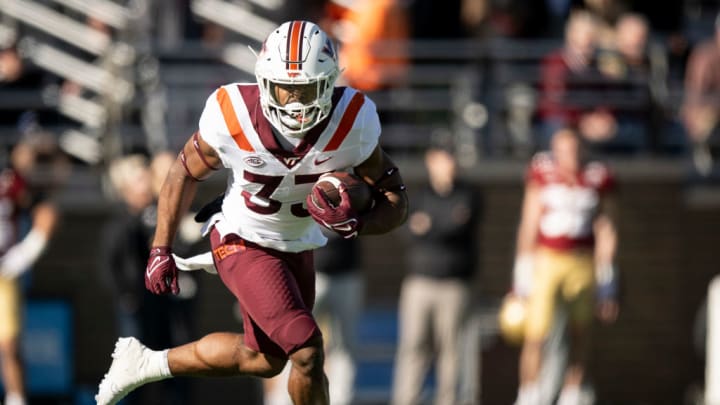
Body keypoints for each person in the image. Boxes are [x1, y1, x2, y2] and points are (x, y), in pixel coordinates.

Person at [95, 20, 408, 405]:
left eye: (304, 90)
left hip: (296, 243)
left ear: (328, 84)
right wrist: (161, 247)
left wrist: (358, 222)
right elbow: (182, 171)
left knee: (263, 359)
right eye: (285, 89)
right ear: (263, 81)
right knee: (308, 351)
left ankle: (146, 363)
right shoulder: (234, 113)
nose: (294, 103)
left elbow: (395, 200)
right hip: (240, 237)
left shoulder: (353, 121)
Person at [512, 127, 619, 405]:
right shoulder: (542, 172)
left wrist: (608, 280)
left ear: (582, 149)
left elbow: (607, 228)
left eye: (572, 149)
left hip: (582, 260)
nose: (567, 156)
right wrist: (522, 270)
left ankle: (572, 394)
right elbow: (529, 221)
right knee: (536, 333)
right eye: (562, 150)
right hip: (547, 258)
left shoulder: (597, 175)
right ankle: (529, 394)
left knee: (580, 332)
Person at [391, 143, 481, 405]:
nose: (448, 165)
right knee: (413, 347)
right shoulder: (419, 196)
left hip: (455, 284)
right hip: (419, 283)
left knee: (452, 351)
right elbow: (405, 228)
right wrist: (431, 224)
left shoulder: (469, 194)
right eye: (442, 160)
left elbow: (456, 228)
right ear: (431, 161)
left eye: (451, 159)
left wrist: (429, 226)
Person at [264, 229, 363, 405]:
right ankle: (282, 400)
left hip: (347, 274)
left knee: (344, 345)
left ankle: (342, 400)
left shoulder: (350, 201)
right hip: (309, 274)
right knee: (293, 343)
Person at [0, 139, 59, 405]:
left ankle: (16, 399)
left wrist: (24, 255)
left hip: (2, 273)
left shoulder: (10, 182)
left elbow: (47, 213)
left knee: (9, 345)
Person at [682, 12, 720, 177]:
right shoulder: (705, 55)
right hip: (707, 111)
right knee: (704, 119)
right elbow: (696, 94)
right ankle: (702, 157)